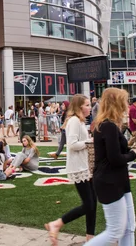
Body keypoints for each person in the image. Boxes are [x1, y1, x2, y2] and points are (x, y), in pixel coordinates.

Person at [84, 88, 136, 246]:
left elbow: (115, 153)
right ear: (116, 103)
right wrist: (133, 154)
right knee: (115, 231)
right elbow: (114, 158)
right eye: (124, 101)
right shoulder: (107, 126)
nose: (127, 105)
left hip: (118, 180)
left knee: (129, 227)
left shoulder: (108, 125)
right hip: (109, 181)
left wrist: (130, 152)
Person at [45, 95, 96, 245]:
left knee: (93, 202)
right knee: (89, 204)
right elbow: (72, 144)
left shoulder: (79, 121)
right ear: (79, 107)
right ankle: (57, 223)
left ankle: (90, 237)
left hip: (85, 166)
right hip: (78, 167)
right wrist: (89, 141)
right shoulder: (74, 121)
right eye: (87, 105)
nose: (89, 107)